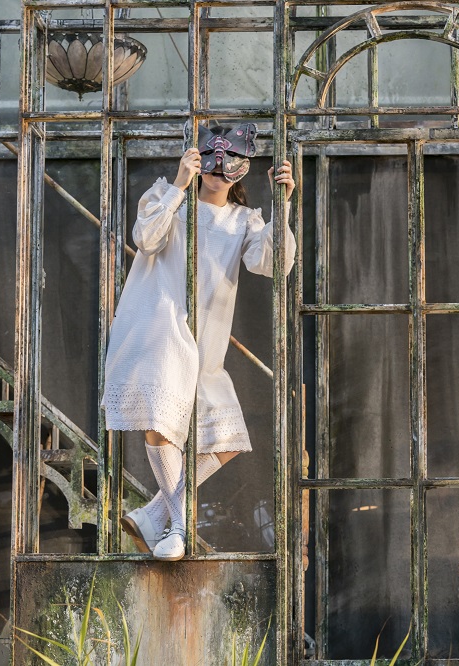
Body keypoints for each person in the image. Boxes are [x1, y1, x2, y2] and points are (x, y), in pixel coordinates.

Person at [102, 123, 297, 561]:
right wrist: (178, 184)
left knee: (227, 440)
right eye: (212, 157)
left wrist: (281, 206)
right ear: (198, 157)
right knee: (161, 425)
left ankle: (155, 516)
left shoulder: (244, 220)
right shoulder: (168, 202)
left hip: (204, 345)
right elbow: (145, 239)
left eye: (230, 163)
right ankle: (179, 529)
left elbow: (273, 263)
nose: (218, 169)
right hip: (159, 327)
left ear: (242, 171)